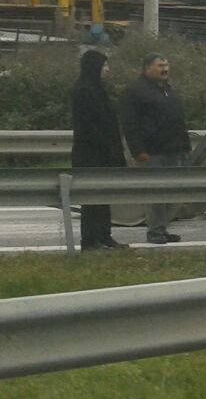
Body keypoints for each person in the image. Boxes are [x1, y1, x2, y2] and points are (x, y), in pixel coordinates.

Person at [119, 51, 192, 244]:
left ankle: (163, 228)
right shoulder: (135, 91)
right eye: (160, 66)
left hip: (173, 150)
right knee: (156, 193)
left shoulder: (168, 89)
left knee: (171, 193)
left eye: (166, 65)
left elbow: (178, 119)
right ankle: (155, 232)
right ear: (147, 68)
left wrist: (185, 146)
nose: (165, 69)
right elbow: (130, 124)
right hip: (152, 151)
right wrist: (138, 151)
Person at [69, 48, 127, 251]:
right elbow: (92, 127)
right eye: (104, 65)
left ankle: (104, 235)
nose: (107, 70)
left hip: (103, 153)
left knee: (104, 197)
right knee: (91, 199)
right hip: (91, 154)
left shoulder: (97, 89)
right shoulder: (85, 91)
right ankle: (90, 240)